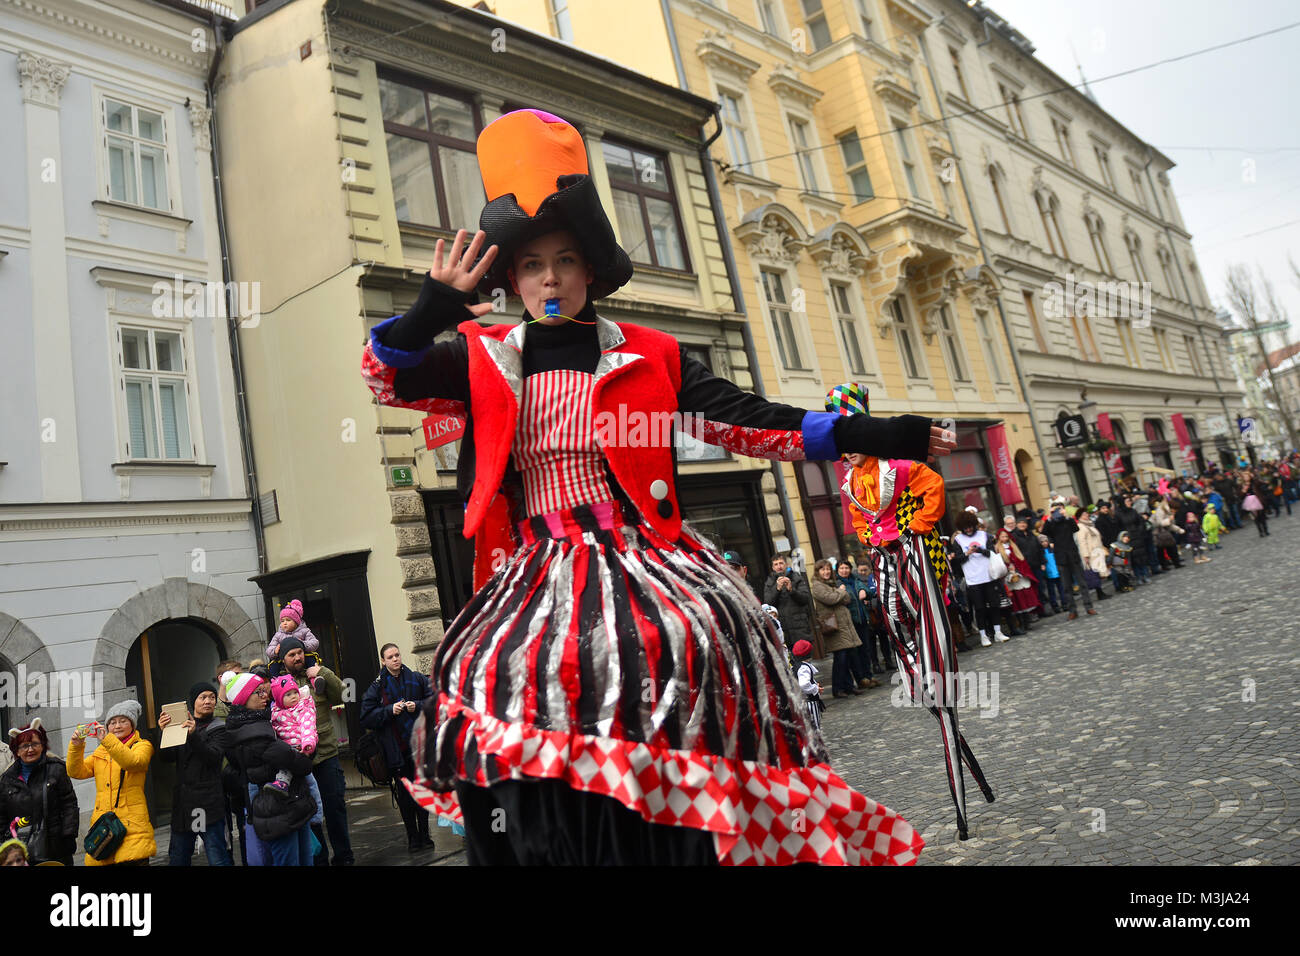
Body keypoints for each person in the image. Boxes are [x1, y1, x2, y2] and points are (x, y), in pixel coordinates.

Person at [363, 110, 953, 865]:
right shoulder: (480, 356)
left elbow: (752, 423)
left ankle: (681, 834)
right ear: (511, 279)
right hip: (534, 562)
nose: (550, 277)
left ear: (590, 272)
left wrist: (881, 435)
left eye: (566, 260)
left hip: (640, 552)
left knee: (691, 640)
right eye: (533, 263)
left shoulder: (652, 355)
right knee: (485, 669)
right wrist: (429, 312)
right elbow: (387, 374)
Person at [222, 672, 315, 866]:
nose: (265, 696)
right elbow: (291, 759)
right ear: (243, 698)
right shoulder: (252, 731)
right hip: (276, 808)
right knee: (290, 860)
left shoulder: (260, 721)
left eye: (264, 691)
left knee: (304, 857)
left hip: (287, 803)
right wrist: (304, 757)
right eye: (258, 692)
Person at [278, 639, 353, 866]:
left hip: (327, 754)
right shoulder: (279, 683)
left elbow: (344, 695)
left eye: (300, 652)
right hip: (300, 760)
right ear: (283, 659)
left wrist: (324, 672)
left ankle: (344, 856)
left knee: (335, 808)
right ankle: (319, 860)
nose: (298, 657)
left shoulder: (316, 676)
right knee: (311, 813)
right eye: (292, 654)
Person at [360, 644, 435, 852]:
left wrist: (417, 706)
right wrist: (388, 710)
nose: (395, 659)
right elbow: (366, 717)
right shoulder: (377, 686)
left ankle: (425, 835)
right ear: (383, 661)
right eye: (390, 657)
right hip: (395, 750)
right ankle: (413, 838)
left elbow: (435, 702)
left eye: (397, 655)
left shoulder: (416, 678)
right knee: (404, 796)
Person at [66, 700, 156, 866]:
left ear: (133, 724)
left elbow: (132, 762)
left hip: (132, 827)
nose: (117, 726)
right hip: (105, 828)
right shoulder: (102, 751)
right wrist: (76, 747)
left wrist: (107, 740)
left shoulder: (142, 745)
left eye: (123, 721)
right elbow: (76, 772)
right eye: (112, 722)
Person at [157, 683, 232, 867]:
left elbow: (213, 757)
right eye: (202, 697)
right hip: (183, 806)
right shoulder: (180, 726)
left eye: (211, 697)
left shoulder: (219, 727)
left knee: (218, 858)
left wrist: (193, 736)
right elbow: (166, 758)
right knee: (178, 858)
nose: (208, 701)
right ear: (193, 702)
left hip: (208, 804)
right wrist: (164, 732)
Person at [1, 719, 79, 866]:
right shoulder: (7, 779)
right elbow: (1, 817)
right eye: (24, 746)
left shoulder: (56, 769)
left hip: (56, 847)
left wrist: (69, 835)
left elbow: (69, 804)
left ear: (42, 746)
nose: (30, 750)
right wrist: (5, 846)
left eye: (35, 744)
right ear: (17, 751)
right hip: (21, 851)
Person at [812, 558, 864, 699]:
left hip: (843, 626)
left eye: (828, 569)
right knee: (840, 658)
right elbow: (831, 599)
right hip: (833, 627)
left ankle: (849, 686)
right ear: (818, 572)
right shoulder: (817, 586)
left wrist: (840, 594)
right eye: (823, 569)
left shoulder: (830, 584)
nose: (826, 572)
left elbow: (848, 599)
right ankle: (838, 688)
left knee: (846, 657)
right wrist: (840, 592)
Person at [951, 511, 1005, 644]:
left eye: (970, 526)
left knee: (994, 605)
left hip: (989, 575)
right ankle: (983, 635)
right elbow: (957, 560)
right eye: (965, 527)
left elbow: (992, 553)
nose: (968, 529)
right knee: (979, 608)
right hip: (973, 579)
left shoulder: (984, 535)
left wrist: (980, 550)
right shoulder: (958, 540)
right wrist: (967, 553)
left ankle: (998, 632)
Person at [1043, 498, 1095, 619]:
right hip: (1061, 557)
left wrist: (1067, 517)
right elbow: (1046, 532)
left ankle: (1089, 607)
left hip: (1073, 555)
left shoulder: (1068, 521)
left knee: (1082, 583)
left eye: (1060, 509)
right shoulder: (1051, 523)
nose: (1058, 512)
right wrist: (1050, 518)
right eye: (1055, 509)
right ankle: (1072, 610)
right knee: (1066, 586)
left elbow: (1075, 529)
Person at [837, 558, 880, 688]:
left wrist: (864, 591)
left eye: (846, 568)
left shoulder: (855, 580)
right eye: (841, 568)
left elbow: (869, 591)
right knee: (855, 652)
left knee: (865, 649)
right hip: (850, 622)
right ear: (837, 571)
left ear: (850, 569)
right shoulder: (837, 584)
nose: (844, 571)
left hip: (862, 619)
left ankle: (869, 675)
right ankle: (861, 678)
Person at [267, 600, 324, 689]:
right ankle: (275, 685)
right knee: (273, 666)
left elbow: (315, 643)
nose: (284, 623)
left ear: (296, 622)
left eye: (288, 620)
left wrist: (303, 644)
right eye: (282, 621)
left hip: (304, 656)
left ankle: (315, 681)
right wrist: (275, 651)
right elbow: (269, 650)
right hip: (283, 661)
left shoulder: (304, 631)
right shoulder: (278, 635)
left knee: (311, 661)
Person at [763, 555, 814, 653]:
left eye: (781, 563)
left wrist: (791, 590)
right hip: (783, 629)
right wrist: (777, 589)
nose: (779, 566)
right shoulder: (770, 582)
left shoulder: (796, 578)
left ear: (786, 564)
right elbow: (768, 604)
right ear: (773, 567)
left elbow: (805, 599)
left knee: (804, 661)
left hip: (800, 628)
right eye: (776, 564)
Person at [993, 528, 1039, 633]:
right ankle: (1020, 622)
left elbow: (1020, 560)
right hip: (1008, 576)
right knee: (1015, 599)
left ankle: (1027, 621)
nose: (1005, 538)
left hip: (1018, 574)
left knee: (1023, 596)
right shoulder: (997, 549)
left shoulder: (1013, 546)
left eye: (1006, 536)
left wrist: (1017, 568)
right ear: (999, 538)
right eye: (1002, 537)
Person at [1075, 509, 1113, 603]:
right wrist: (1085, 555)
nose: (1087, 515)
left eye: (1086, 513)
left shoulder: (1089, 525)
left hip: (1097, 552)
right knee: (1094, 573)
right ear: (1080, 516)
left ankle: (1100, 592)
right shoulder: (1080, 527)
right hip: (1091, 553)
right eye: (1084, 514)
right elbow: (1082, 542)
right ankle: (1099, 592)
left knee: (1098, 572)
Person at [791, 640, 824, 732]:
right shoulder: (804, 667)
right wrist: (815, 688)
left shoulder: (794, 666)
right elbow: (804, 684)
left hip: (800, 701)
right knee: (814, 726)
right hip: (809, 702)